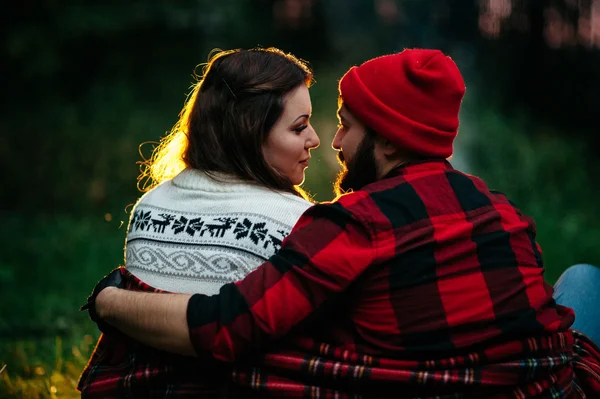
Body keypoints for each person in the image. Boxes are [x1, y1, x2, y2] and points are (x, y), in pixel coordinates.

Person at [83, 49, 600, 398]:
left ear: (391, 140)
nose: (332, 143)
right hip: (546, 383)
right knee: (584, 280)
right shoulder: (502, 211)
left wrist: (109, 298)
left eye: (346, 126)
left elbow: (225, 327)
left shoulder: (350, 226)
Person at [77, 47, 320, 397]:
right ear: (250, 131)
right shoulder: (295, 221)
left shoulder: (150, 205)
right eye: (299, 128)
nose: (313, 139)